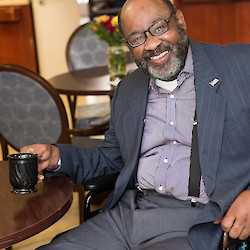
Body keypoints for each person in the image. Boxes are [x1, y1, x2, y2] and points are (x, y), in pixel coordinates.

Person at [21, 0, 250, 249]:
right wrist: (56, 157)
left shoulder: (239, 64)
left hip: (199, 221)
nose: (152, 44)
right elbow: (110, 160)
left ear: (180, 20)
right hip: (127, 215)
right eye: (137, 38)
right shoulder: (128, 89)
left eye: (159, 28)